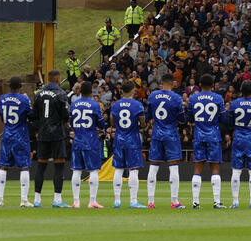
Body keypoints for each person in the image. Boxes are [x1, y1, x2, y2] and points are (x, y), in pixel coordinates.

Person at [145, 73, 186, 209]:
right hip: (171, 135)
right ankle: (174, 201)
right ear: (173, 83)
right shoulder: (176, 98)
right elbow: (182, 119)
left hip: (156, 134)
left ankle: (150, 202)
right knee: (173, 167)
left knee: (153, 166)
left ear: (161, 82)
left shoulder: (152, 96)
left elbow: (149, 116)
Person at [31, 70, 70, 208]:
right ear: (58, 79)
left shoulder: (38, 94)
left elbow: (34, 115)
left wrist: (38, 129)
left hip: (43, 134)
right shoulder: (61, 94)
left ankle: (37, 199)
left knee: (41, 166)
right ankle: (57, 199)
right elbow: (65, 115)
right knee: (59, 165)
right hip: (57, 134)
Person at [188, 73, 227, 208]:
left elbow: (190, 118)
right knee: (215, 167)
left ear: (200, 84)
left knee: (198, 167)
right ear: (212, 85)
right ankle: (216, 202)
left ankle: (195, 202)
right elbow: (223, 119)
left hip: (199, 135)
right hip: (213, 136)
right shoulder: (218, 98)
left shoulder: (193, 98)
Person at [228, 79, 251, 208]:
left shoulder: (234, 104)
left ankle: (235, 201)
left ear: (241, 90)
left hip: (238, 137)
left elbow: (229, 121)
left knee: (236, 170)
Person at [0, 76, 33, 207]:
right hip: (20, 135)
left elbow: (1, 115)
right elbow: (31, 115)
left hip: (7, 134)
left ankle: (0, 199)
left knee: (3, 166)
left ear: (9, 86)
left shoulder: (2, 98)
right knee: (24, 166)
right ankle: (23, 200)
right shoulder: (24, 99)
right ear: (20, 86)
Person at [110, 80, 146, 208]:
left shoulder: (115, 105)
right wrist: (141, 125)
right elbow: (142, 123)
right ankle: (133, 201)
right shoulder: (137, 105)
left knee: (118, 170)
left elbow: (112, 122)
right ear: (133, 91)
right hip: (133, 139)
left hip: (119, 139)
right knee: (133, 170)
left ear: (121, 91)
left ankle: (117, 201)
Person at [69, 91, 106, 209]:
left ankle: (76, 202)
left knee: (76, 170)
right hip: (91, 141)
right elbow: (101, 124)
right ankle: (92, 201)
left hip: (77, 140)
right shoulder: (95, 105)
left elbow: (71, 122)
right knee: (93, 171)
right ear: (90, 92)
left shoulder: (74, 104)